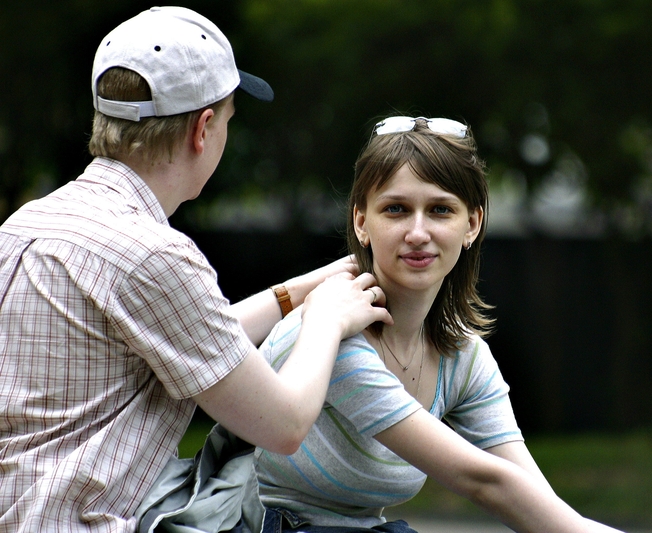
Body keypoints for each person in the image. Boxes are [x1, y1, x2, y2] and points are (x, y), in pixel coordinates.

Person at [0, 7, 389, 533]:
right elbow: (285, 424)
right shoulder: (155, 254)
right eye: (228, 119)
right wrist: (325, 319)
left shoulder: (26, 225)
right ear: (203, 128)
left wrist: (299, 290)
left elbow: (197, 338)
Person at [254, 116, 624, 533]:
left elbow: (533, 497)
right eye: (395, 209)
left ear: (472, 224)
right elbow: (485, 481)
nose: (417, 232)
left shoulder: (462, 357)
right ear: (362, 222)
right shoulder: (335, 331)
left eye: (440, 210)